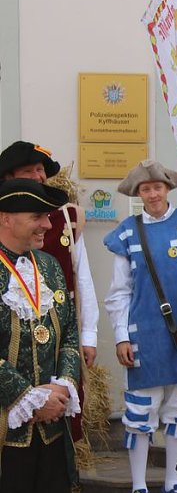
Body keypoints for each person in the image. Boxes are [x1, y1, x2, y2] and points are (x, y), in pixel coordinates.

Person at [104, 160, 177, 493]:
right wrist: (121, 335)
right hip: (144, 337)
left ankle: (173, 484)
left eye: (157, 187)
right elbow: (119, 292)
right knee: (139, 416)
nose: (152, 194)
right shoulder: (127, 232)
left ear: (168, 188)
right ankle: (138, 489)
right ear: (138, 194)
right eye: (145, 189)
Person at [0, 178, 81, 493]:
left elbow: (70, 334)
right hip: (6, 434)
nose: (48, 225)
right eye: (38, 216)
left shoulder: (48, 266)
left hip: (52, 430)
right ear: (6, 218)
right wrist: (28, 398)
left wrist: (62, 386)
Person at [0, 141, 99, 370]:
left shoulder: (67, 217)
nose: (37, 177)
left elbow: (81, 276)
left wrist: (88, 334)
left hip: (61, 335)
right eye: (28, 171)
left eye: (40, 169)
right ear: (8, 178)